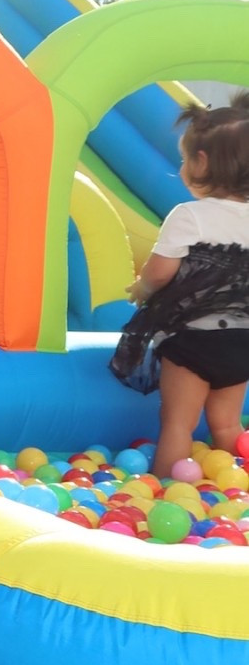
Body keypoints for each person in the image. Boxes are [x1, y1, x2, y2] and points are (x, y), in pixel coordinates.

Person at [111, 92, 249, 477]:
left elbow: (159, 272)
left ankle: (165, 489)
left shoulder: (190, 215)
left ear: (201, 163)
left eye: (185, 159)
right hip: (243, 339)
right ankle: (236, 484)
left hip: (193, 339)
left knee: (177, 423)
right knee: (226, 423)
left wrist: (143, 289)